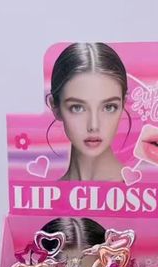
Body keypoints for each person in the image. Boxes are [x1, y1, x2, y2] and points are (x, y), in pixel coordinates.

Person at [47, 43, 129, 182]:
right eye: (77, 108)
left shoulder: (144, 191)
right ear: (55, 107)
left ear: (123, 104)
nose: (93, 126)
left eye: (109, 107)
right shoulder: (45, 193)